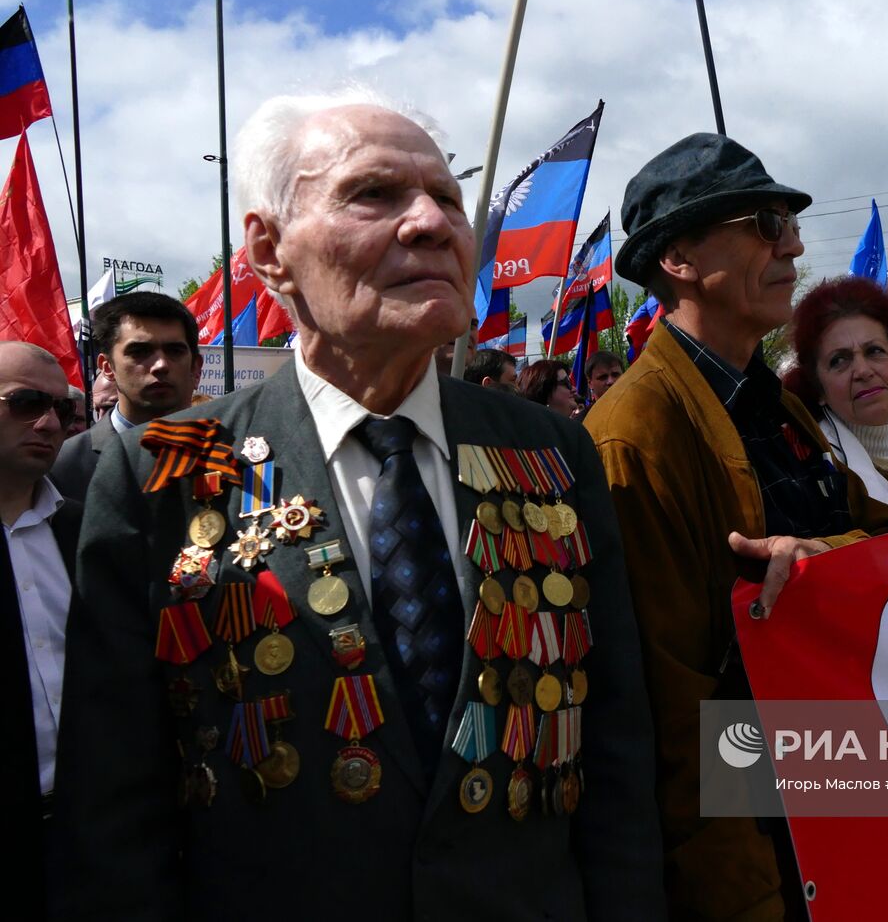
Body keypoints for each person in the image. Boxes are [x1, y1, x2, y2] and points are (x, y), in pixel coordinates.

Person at [56, 90, 664, 920]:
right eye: (374, 194)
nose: (432, 223)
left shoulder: (551, 448)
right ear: (268, 251)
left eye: (448, 198)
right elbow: (116, 805)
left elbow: (617, 751)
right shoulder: (164, 463)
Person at [584, 132, 888, 920]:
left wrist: (820, 559)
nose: (793, 242)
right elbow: (684, 726)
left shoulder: (778, 402)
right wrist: (755, 894)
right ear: (681, 259)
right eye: (764, 222)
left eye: (789, 222)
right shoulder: (633, 437)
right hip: (771, 850)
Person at [0, 342, 83, 920]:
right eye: (26, 402)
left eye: (64, 409)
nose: (49, 423)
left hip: (87, 834)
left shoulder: (85, 529)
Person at [788, 276, 888, 526]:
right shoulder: (814, 474)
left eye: (874, 351)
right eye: (839, 360)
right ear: (818, 388)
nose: (863, 371)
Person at [49, 291, 203, 500]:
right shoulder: (63, 467)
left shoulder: (236, 449)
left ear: (196, 367)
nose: (161, 365)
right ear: (107, 367)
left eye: (174, 351)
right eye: (139, 352)